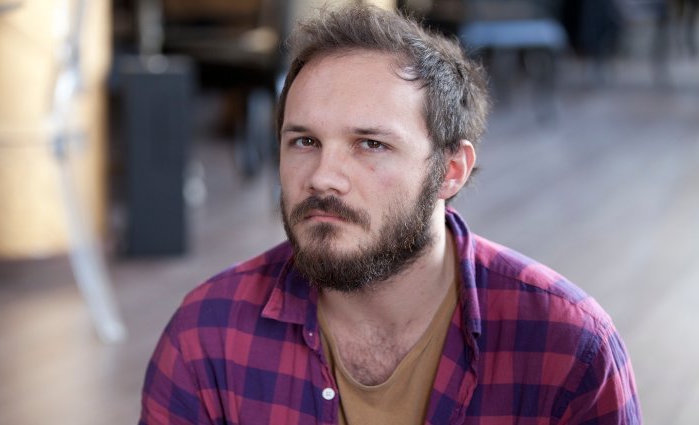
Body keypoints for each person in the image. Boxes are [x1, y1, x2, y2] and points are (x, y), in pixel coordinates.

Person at [140, 5, 641, 424]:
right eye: (305, 141)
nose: (322, 177)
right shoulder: (207, 335)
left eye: (371, 144)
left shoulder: (567, 348)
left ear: (450, 171)